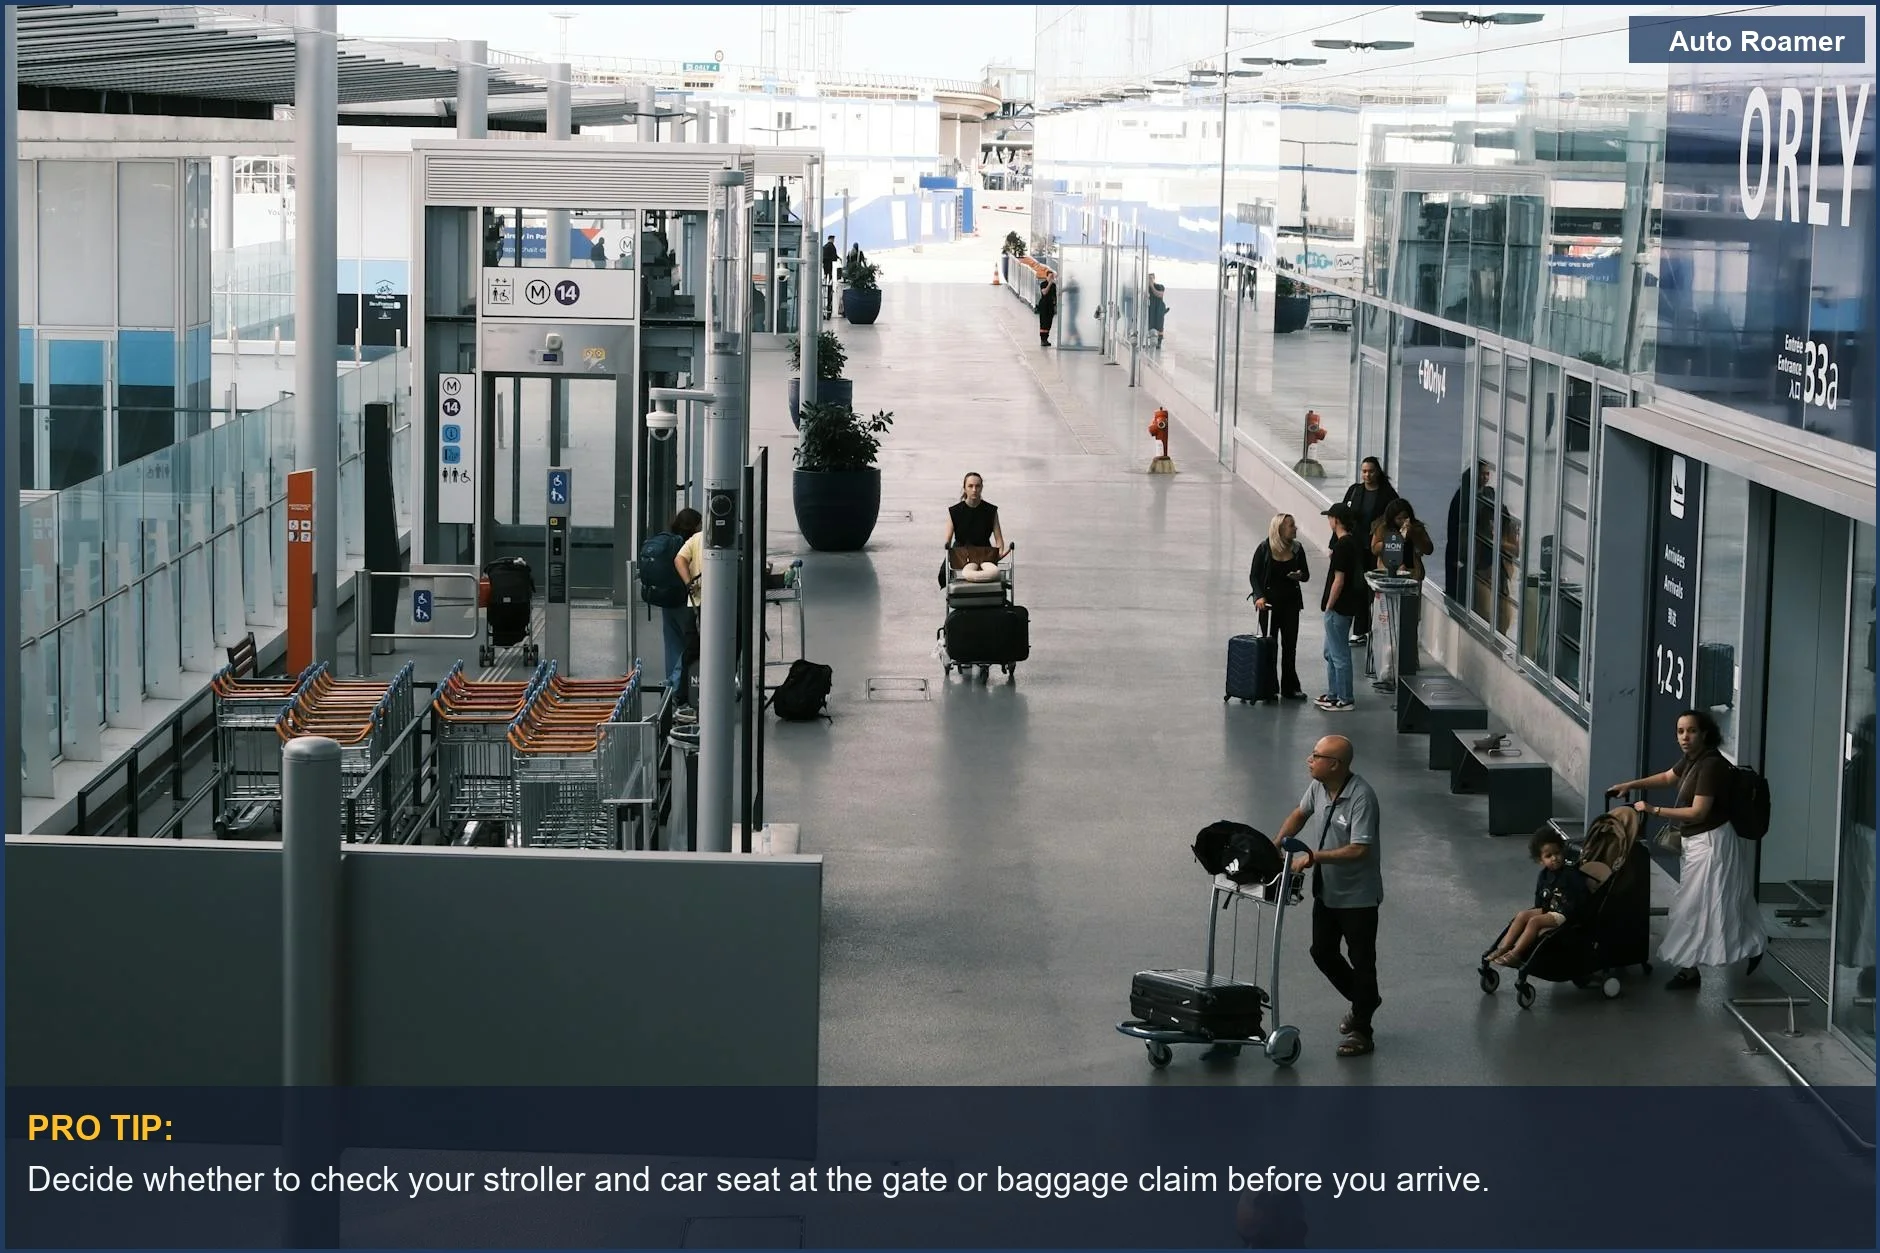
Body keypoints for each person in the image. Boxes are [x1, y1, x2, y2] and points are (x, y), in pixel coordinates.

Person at [1606, 709, 1766, 990]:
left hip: (1710, 843)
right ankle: (1735, 952)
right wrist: (1631, 785)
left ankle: (1691, 969)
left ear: (1705, 733)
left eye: (1691, 731)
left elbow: (1699, 812)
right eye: (1680, 731)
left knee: (1695, 905)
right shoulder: (1694, 759)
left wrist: (1652, 809)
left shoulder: (1711, 766)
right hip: (1698, 843)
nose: (1684, 737)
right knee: (1717, 902)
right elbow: (1668, 777)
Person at [1274, 734, 1384, 1057]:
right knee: (1322, 951)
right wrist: (1277, 842)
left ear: (1334, 764)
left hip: (1358, 897)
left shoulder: (1362, 797)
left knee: (1363, 962)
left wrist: (1313, 858)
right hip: (1327, 891)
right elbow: (1300, 812)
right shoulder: (1320, 787)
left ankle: (1362, 1031)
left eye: (1316, 755)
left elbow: (1360, 849)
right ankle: (1366, 999)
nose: (1310, 760)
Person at [1487, 828, 1592, 966]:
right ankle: (1504, 947)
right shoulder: (1543, 875)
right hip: (1549, 908)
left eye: (1557, 853)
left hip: (1564, 913)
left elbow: (1580, 895)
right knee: (1522, 915)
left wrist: (1567, 908)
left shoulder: (1571, 874)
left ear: (1563, 852)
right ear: (1540, 860)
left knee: (1534, 922)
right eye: (1549, 856)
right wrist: (1541, 907)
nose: (1554, 858)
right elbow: (1539, 898)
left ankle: (1516, 953)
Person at [1367, 498, 1434, 692]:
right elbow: (1374, 548)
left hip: (1411, 577)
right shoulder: (1382, 528)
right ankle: (1390, 664)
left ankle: (1409, 657)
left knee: (1411, 619)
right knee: (1389, 622)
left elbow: (1428, 548)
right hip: (1390, 576)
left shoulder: (1416, 528)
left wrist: (1413, 535)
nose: (1402, 521)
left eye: (1405, 517)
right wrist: (1393, 541)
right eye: (1398, 518)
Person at [1247, 512, 1311, 701]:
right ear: (1280, 529)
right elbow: (1254, 575)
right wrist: (1259, 596)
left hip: (1291, 603)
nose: (1295, 528)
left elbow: (1306, 575)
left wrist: (1299, 575)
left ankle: (1290, 687)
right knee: (1269, 645)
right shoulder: (1264, 548)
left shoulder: (1298, 549)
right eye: (1291, 525)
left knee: (1290, 646)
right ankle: (1268, 687)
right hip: (1268, 605)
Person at [1339, 458, 1399, 641]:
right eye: (1364, 471)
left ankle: (1375, 628)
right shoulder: (1355, 491)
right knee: (1357, 587)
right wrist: (1335, 544)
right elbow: (1342, 517)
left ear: (1377, 472)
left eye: (1370, 471)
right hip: (1356, 548)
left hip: (1375, 550)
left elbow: (1394, 522)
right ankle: (1360, 629)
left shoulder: (1387, 495)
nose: (1367, 475)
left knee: (1372, 590)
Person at [1316, 503, 1367, 712]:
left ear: (1336, 520)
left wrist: (1329, 605)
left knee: (1339, 654)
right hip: (1346, 606)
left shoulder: (1341, 546)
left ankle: (1345, 698)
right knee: (1331, 652)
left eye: (1330, 518)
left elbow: (1339, 580)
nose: (1329, 521)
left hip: (1338, 608)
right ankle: (1333, 693)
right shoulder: (1352, 543)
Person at [654, 508, 702, 698]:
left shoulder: (667, 541)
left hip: (666, 601)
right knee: (689, 646)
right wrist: (688, 583)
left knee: (672, 645)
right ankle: (680, 687)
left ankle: (670, 689)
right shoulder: (691, 543)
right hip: (684, 601)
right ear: (694, 525)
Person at [673, 519, 707, 718]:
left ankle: (685, 697)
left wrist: (688, 582)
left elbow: (679, 559)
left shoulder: (697, 539)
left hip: (696, 604)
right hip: (722, 607)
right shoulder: (733, 541)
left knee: (691, 653)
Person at [943, 472, 1008, 575]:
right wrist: (949, 555)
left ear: (981, 488)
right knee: (945, 573)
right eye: (970, 486)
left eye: (977, 486)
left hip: (985, 555)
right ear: (964, 488)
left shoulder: (991, 511)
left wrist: (999, 554)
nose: (974, 490)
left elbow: (999, 539)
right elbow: (948, 540)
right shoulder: (954, 511)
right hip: (961, 555)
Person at [1036, 272, 1058, 347]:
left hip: (1050, 306)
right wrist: (1049, 284)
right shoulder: (1043, 283)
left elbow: (1054, 296)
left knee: (1049, 323)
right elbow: (1044, 292)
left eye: (1052, 277)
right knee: (1043, 322)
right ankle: (1042, 340)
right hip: (1044, 305)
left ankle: (1046, 339)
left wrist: (1055, 306)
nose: (1052, 278)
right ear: (1046, 277)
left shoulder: (1054, 285)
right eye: (1050, 276)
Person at [821, 234, 839, 314]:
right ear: (831, 239)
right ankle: (829, 285)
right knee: (830, 277)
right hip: (829, 264)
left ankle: (826, 280)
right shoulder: (831, 246)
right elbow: (834, 255)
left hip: (825, 264)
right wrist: (837, 258)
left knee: (826, 275)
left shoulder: (824, 246)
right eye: (833, 239)